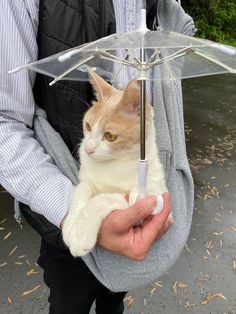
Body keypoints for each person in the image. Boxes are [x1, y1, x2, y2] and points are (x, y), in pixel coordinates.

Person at [0, 1, 195, 313]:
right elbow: (4, 122)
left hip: (134, 206)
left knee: (114, 299)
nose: (87, 145)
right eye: (88, 128)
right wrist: (75, 211)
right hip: (64, 223)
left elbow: (180, 28)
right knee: (68, 302)